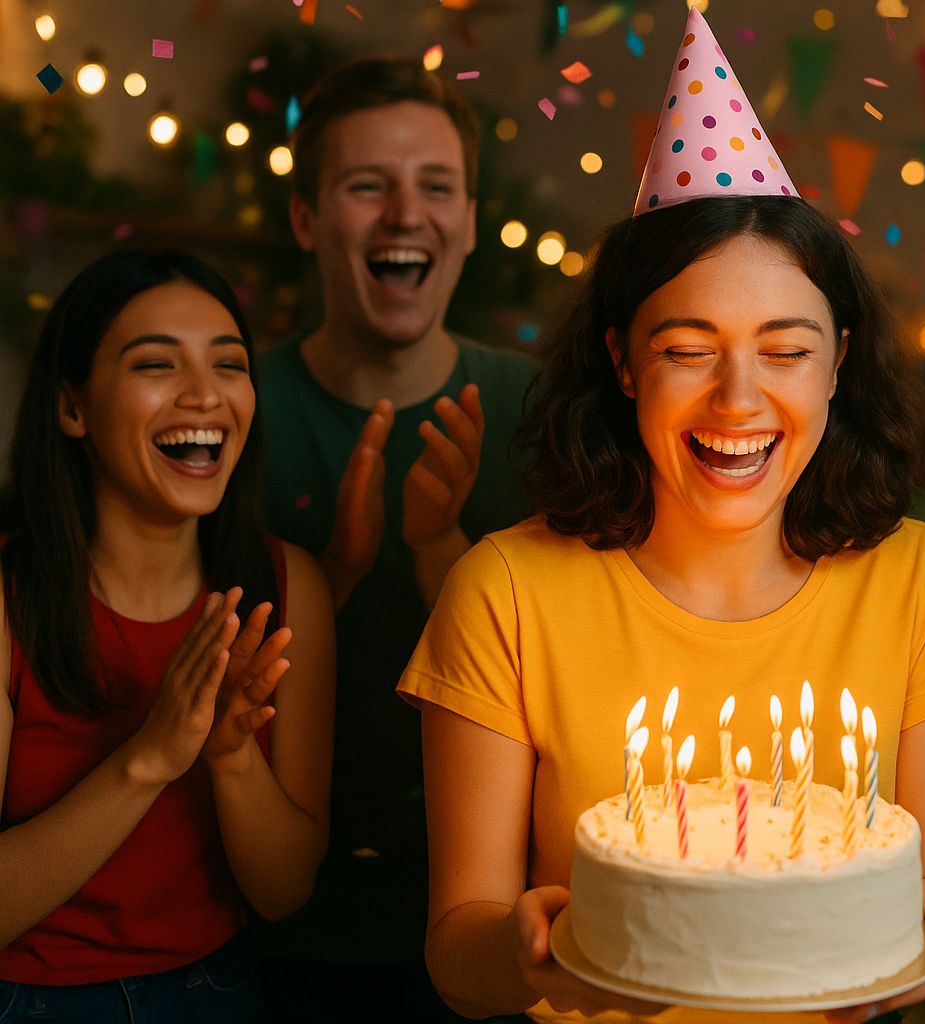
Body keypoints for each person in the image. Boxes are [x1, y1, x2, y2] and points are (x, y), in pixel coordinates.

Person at [395, 10, 925, 1023]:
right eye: (687, 348)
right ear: (625, 362)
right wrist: (536, 952)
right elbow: (460, 953)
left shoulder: (920, 581)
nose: (738, 400)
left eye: (785, 348)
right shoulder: (504, 590)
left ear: (839, 359)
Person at [254, 56, 539, 1019]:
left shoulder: (547, 416)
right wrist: (317, 582)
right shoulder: (223, 413)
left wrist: (439, 554)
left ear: (464, 222)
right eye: (367, 185)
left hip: (505, 933)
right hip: (264, 935)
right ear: (306, 219)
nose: (405, 215)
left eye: (436, 188)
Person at [0, 250, 334, 1021]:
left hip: (214, 991)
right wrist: (148, 760)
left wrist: (230, 760)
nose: (204, 395)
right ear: (72, 408)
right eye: (157, 365)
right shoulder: (11, 598)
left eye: (230, 365)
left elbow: (285, 894)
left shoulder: (288, 589)